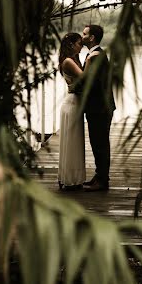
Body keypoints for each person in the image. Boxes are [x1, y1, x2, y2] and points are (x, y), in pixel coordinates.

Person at [80, 24, 116, 192]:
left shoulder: (96, 56)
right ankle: (99, 176)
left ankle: (102, 181)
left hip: (100, 107)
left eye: (85, 33)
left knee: (100, 143)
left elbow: (92, 83)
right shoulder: (95, 54)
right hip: (99, 106)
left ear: (92, 38)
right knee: (97, 143)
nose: (82, 35)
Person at [57, 32, 86, 191]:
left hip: (74, 102)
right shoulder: (68, 61)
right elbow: (85, 77)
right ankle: (71, 178)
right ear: (71, 45)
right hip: (72, 103)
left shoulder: (72, 60)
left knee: (74, 142)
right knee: (72, 142)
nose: (81, 47)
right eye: (79, 44)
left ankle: (73, 178)